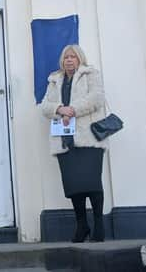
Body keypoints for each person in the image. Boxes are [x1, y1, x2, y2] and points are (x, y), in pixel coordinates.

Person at [41, 44, 108, 242]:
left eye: (73, 57)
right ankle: (82, 226)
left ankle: (98, 224)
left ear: (80, 59)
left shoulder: (91, 74)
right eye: (66, 57)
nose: (69, 60)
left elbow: (97, 98)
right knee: (74, 187)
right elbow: (45, 106)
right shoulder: (54, 80)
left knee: (93, 184)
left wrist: (72, 109)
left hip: (88, 139)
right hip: (64, 140)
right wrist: (59, 109)